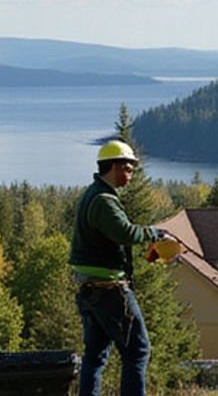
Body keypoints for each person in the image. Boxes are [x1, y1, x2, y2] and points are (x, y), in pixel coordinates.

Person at [70, 140, 171, 396]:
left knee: (95, 355)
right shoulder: (104, 201)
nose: (131, 173)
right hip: (110, 289)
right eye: (128, 167)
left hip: (90, 288)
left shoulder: (94, 194)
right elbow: (125, 233)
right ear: (113, 167)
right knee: (138, 350)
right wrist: (155, 234)